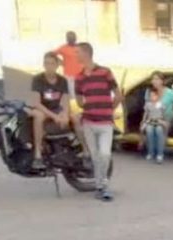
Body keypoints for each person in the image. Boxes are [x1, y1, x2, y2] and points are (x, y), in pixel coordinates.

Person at [75, 42, 123, 201]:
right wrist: (88, 103)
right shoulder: (79, 77)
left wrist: (110, 109)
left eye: (78, 53)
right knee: (96, 156)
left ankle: (102, 183)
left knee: (105, 154)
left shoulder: (105, 72)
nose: (76, 56)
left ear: (86, 53)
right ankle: (100, 186)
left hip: (105, 122)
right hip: (88, 121)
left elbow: (118, 94)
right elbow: (79, 100)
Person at [28, 51, 70, 170]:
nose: (49, 66)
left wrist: (65, 114)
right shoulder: (38, 79)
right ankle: (37, 154)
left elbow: (66, 100)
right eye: (46, 63)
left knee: (75, 118)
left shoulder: (62, 80)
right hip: (42, 109)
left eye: (52, 64)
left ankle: (84, 152)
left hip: (56, 108)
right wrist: (54, 116)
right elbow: (36, 103)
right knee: (39, 116)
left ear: (57, 65)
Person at [140, 72, 173, 164]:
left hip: (165, 118)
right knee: (150, 130)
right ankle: (151, 152)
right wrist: (143, 121)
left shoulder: (170, 92)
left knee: (159, 130)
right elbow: (147, 107)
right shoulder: (149, 91)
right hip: (152, 118)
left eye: (157, 79)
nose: (154, 81)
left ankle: (160, 154)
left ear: (162, 81)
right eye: (153, 79)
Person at [54, 31, 81, 99]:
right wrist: (60, 62)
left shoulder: (80, 47)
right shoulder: (63, 48)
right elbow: (52, 54)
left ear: (76, 38)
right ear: (67, 39)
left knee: (81, 94)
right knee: (72, 95)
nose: (71, 39)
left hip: (81, 74)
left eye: (73, 37)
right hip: (69, 76)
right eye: (69, 38)